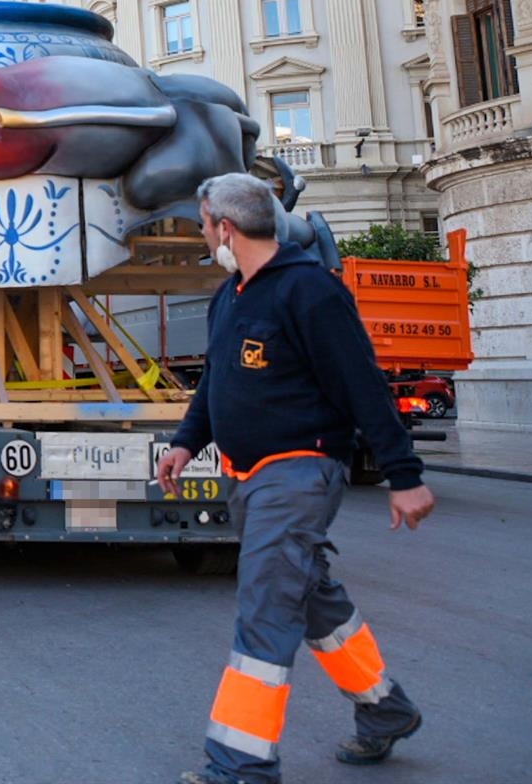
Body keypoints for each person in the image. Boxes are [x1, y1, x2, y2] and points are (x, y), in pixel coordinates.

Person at [160, 174, 432, 784]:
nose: (204, 238)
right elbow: (216, 382)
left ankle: (240, 766)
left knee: (264, 609)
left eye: (205, 227)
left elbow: (363, 385)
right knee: (311, 598)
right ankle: (386, 711)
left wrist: (403, 475)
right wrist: (185, 442)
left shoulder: (311, 290)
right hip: (249, 476)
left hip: (299, 472)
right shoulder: (230, 295)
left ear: (225, 228)